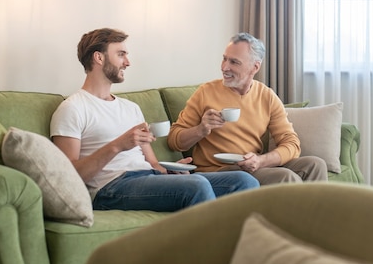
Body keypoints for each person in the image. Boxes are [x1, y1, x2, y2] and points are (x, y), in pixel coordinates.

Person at [50, 28, 259, 212]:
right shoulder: (73, 108)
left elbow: (151, 163)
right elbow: (69, 178)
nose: (128, 62)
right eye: (121, 54)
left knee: (243, 181)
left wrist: (169, 171)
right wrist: (117, 146)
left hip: (147, 177)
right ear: (99, 58)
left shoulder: (130, 108)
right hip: (109, 189)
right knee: (197, 186)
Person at [168, 32, 328, 185]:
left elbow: (292, 144)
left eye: (234, 62)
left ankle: (314, 214)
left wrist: (261, 161)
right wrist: (200, 130)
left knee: (315, 165)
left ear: (255, 67)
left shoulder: (267, 96)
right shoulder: (205, 92)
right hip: (218, 172)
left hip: (252, 166)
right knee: (284, 177)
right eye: (224, 59)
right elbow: (174, 140)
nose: (224, 67)